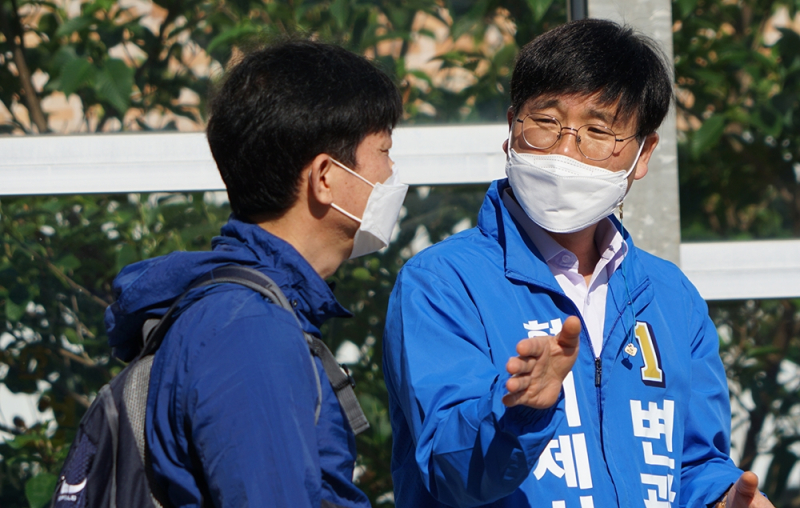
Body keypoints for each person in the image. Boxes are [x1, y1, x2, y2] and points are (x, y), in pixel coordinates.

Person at [382, 19, 773, 508]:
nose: (566, 151)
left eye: (597, 131)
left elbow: (691, 464)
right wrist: (519, 410)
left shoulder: (672, 297)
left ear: (643, 153)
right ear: (511, 127)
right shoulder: (442, 283)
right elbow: (448, 470)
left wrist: (722, 498)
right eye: (545, 122)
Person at [104, 40, 406, 507]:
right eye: (384, 150)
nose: (392, 173)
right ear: (325, 177)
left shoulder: (250, 311)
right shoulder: (248, 330)